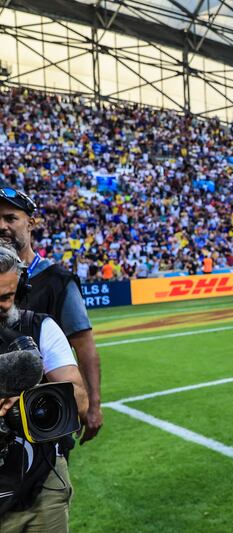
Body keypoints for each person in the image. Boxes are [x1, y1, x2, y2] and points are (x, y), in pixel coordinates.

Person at [0, 186, 103, 444]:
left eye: (10, 218)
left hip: (45, 420)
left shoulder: (58, 281)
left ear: (31, 223)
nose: (1, 226)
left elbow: (84, 346)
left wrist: (93, 406)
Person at [0, 246, 88, 531]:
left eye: (5, 298)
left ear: (21, 290)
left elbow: (79, 401)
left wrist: (25, 394)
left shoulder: (40, 328)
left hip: (42, 488)